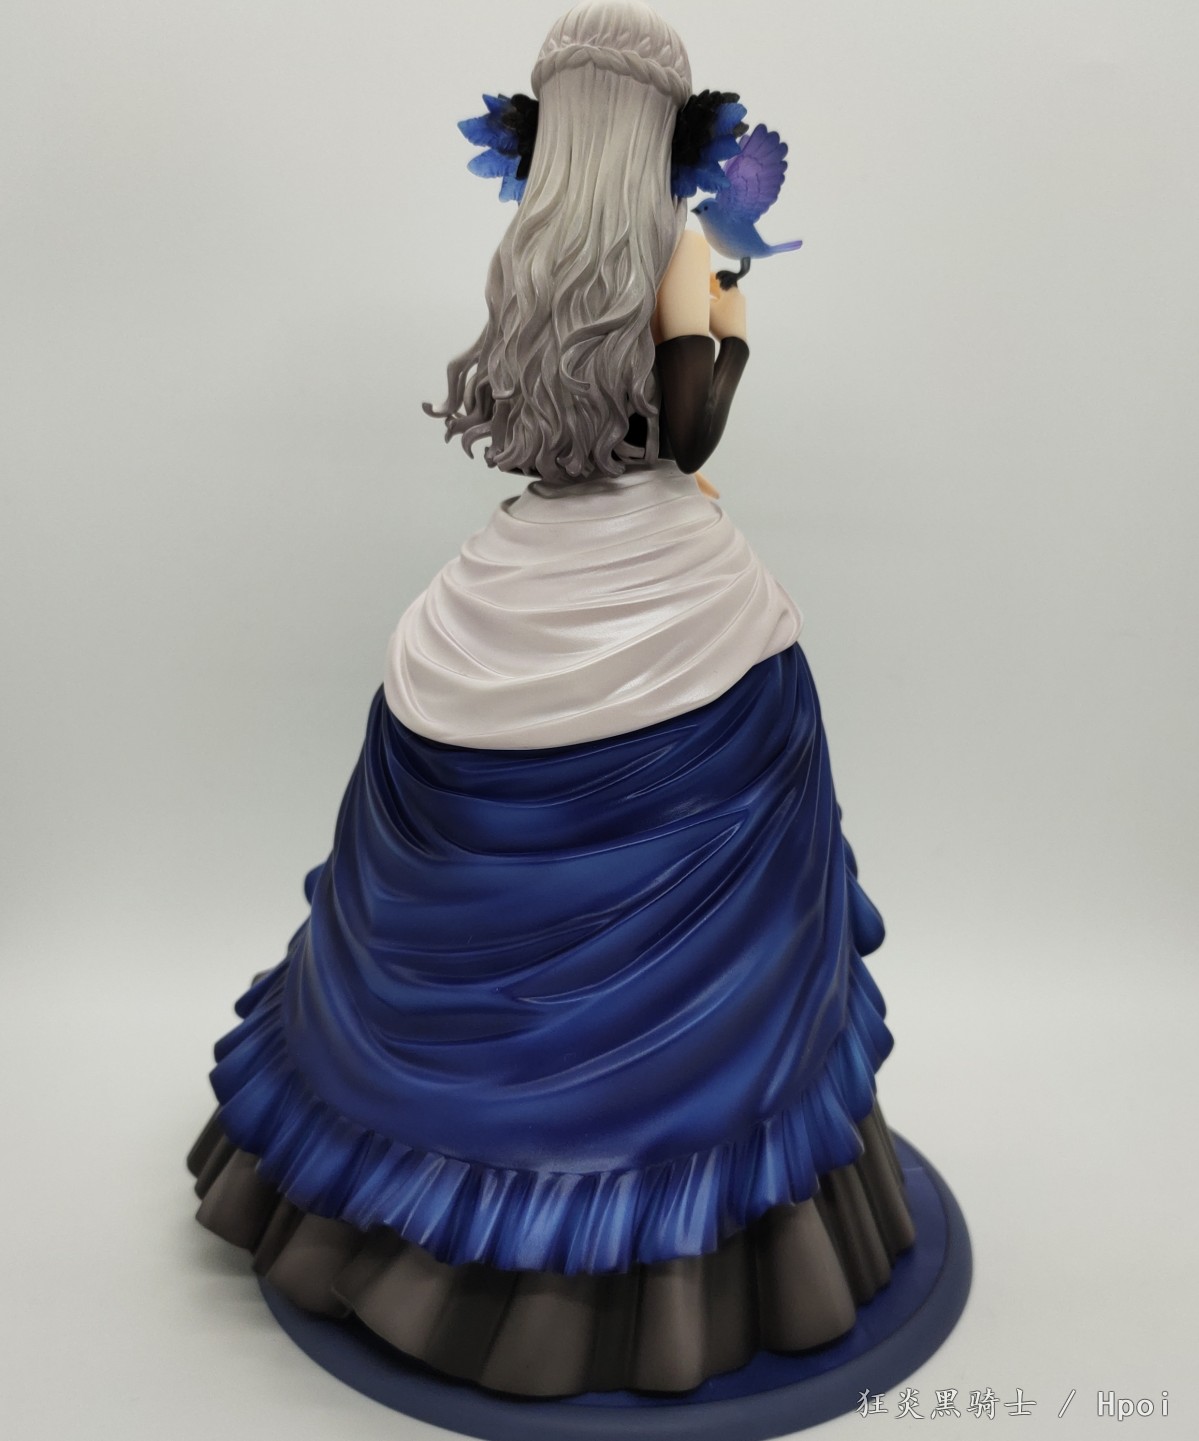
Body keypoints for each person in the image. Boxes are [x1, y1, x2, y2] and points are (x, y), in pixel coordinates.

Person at [187, 0, 915, 1398]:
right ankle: (668, 1258)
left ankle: (426, 1219)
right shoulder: (681, 248)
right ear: (658, 133)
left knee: (449, 814)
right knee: (742, 805)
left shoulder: (534, 250)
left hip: (528, 567)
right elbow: (686, 437)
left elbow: (546, 433)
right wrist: (730, 328)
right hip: (668, 588)